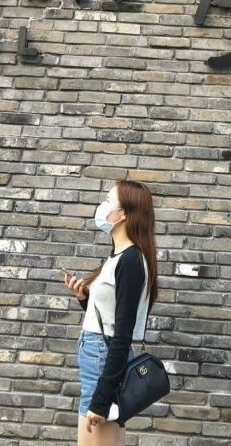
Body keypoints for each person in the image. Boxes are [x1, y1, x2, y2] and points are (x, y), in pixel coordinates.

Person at [63, 179, 158, 444]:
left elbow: (122, 333)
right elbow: (112, 317)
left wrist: (101, 398)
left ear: (124, 213)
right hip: (100, 355)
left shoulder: (130, 260)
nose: (103, 206)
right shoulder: (120, 256)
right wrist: (85, 299)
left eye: (108, 201)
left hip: (102, 359)